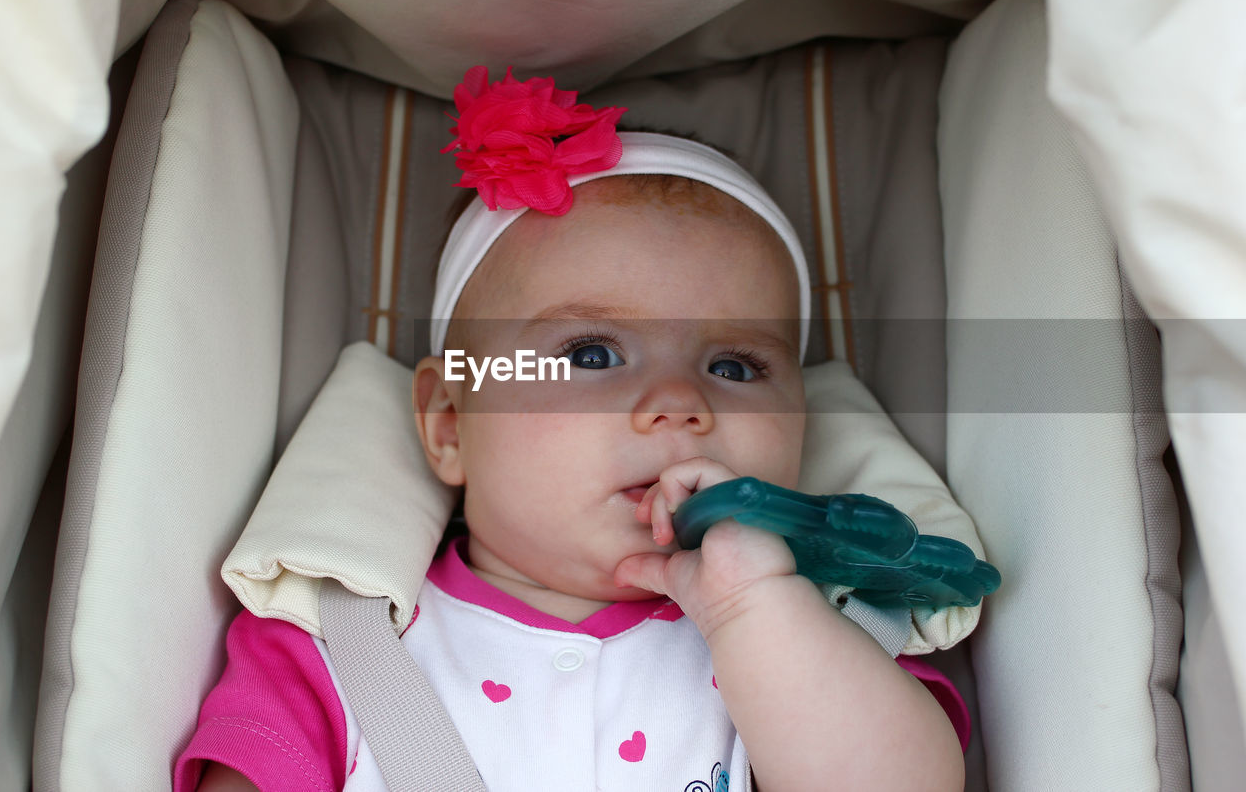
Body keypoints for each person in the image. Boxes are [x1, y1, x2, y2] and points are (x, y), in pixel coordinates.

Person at [178, 67, 968, 791]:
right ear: (452, 423)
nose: (678, 402)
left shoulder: (817, 641)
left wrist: (755, 603)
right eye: (592, 352)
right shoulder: (337, 648)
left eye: (733, 366)